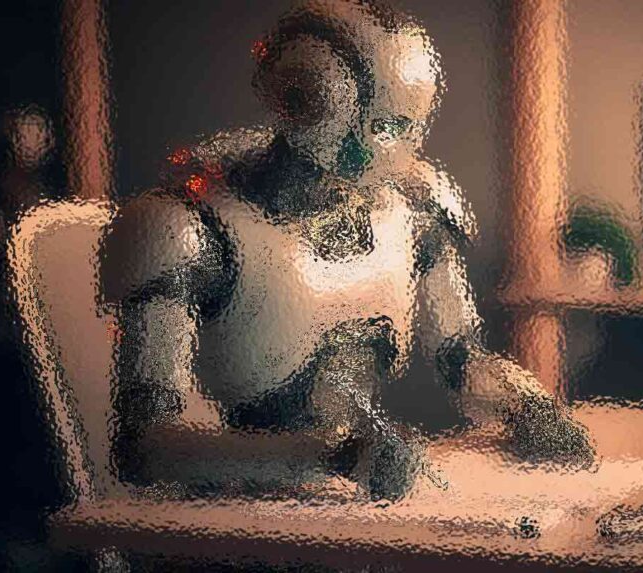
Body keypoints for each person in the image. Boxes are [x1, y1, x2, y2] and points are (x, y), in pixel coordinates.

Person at [101, 0, 593, 502]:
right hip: (236, 508)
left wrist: (527, 407)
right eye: (381, 127)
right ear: (307, 100)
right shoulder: (187, 229)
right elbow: (146, 448)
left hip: (356, 500)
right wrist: (330, 456)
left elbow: (459, 358)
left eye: (400, 128)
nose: (382, 152)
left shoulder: (414, 208)